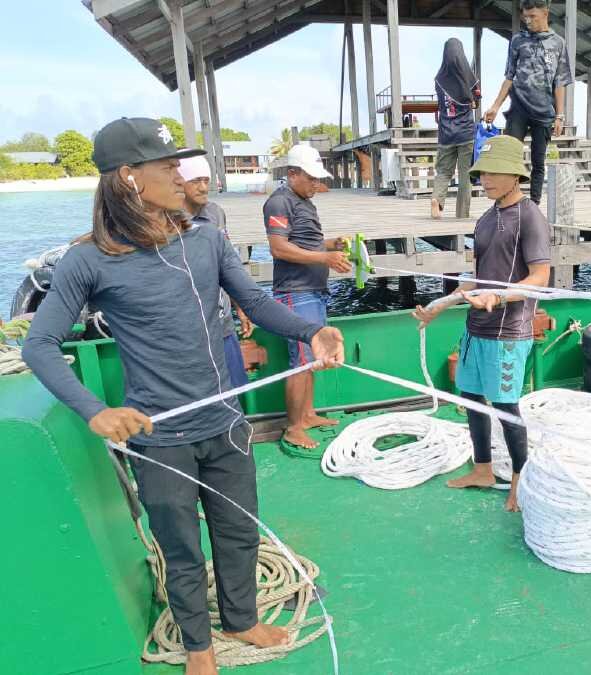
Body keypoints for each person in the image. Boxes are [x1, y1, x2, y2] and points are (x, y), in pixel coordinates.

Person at [22, 117, 345, 675]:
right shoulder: (88, 261)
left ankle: (240, 619)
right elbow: (40, 345)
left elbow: (256, 300)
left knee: (240, 529)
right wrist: (95, 411)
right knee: (182, 549)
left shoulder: (206, 239)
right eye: (167, 165)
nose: (182, 174)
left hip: (225, 422)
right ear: (128, 177)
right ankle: (199, 646)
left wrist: (309, 331)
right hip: (161, 436)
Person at [413, 135, 551, 512]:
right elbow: (478, 277)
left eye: (492, 171)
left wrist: (500, 296)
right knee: (472, 399)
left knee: (507, 408)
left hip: (508, 331)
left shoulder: (530, 216)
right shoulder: (487, 217)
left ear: (514, 174)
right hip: (476, 328)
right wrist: (440, 304)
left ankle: (521, 482)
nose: (484, 179)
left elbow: (540, 276)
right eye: (481, 172)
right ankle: (483, 469)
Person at [264, 144, 351, 452]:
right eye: (311, 178)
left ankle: (309, 414)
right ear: (292, 173)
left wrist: (331, 243)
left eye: (318, 178)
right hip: (295, 293)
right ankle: (294, 427)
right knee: (300, 363)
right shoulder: (279, 203)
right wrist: (325, 258)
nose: (316, 184)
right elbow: (279, 248)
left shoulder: (304, 201)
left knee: (312, 359)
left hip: (313, 291)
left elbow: (307, 240)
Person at [484, 0, 572, 206]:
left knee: (538, 161)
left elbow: (560, 82)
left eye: (533, 16)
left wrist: (560, 115)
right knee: (508, 156)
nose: (528, 20)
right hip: (519, 109)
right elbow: (509, 76)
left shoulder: (558, 43)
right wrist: (495, 106)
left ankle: (533, 204)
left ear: (545, 14)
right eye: (525, 16)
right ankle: (507, 200)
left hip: (544, 112)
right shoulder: (517, 41)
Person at [178, 154, 253, 387]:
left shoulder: (215, 213)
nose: (203, 187)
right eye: (196, 181)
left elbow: (228, 265)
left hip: (223, 325)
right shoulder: (165, 221)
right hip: (191, 333)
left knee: (235, 388)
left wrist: (241, 307)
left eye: (206, 180)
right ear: (180, 183)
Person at [431, 37, 480, 220]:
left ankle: (437, 199)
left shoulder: (439, 79)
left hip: (446, 133)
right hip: (465, 132)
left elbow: (442, 104)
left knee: (444, 171)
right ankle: (462, 214)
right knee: (465, 175)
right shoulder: (470, 78)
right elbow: (476, 101)